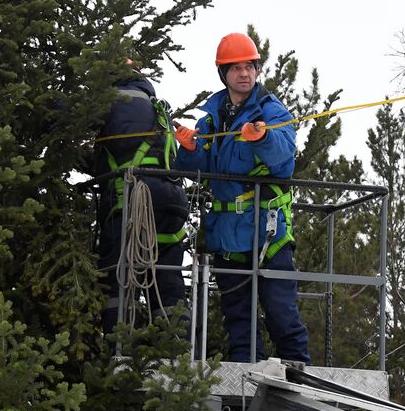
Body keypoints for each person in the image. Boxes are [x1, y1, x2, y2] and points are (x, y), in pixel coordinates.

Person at [173, 33, 308, 363]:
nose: (244, 74)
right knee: (239, 320)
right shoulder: (213, 117)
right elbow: (198, 168)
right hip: (228, 235)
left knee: (280, 313)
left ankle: (301, 377)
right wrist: (189, 149)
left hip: (267, 233)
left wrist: (261, 137)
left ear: (258, 70)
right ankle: (243, 383)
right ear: (224, 73)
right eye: (235, 68)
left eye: (249, 66)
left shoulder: (272, 112)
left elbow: (283, 158)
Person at [95, 64, 189, 332]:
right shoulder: (153, 105)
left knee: (119, 281)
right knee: (168, 283)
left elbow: (70, 111)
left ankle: (119, 350)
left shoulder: (118, 98)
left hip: (132, 200)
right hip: (171, 204)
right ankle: (177, 354)